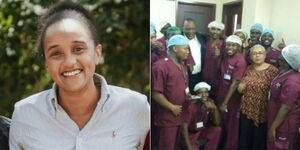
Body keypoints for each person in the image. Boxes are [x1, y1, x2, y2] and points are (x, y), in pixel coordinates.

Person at [9, 2, 150, 150]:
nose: (69, 62)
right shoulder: (25, 114)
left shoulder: (136, 108)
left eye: (78, 49)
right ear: (46, 62)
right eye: (56, 53)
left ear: (97, 53)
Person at [152, 35, 190, 150]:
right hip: (168, 118)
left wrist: (190, 96)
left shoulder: (183, 66)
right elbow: (155, 93)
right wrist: (172, 107)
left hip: (181, 115)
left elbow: (183, 86)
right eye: (185, 48)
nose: (187, 52)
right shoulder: (160, 66)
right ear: (174, 49)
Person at [237, 45, 278, 150]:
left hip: (262, 110)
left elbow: (276, 91)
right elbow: (240, 87)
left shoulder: (273, 70)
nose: (257, 55)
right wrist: (240, 87)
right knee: (245, 138)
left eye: (260, 53)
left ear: (265, 55)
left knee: (259, 139)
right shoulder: (248, 68)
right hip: (247, 108)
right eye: (254, 53)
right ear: (250, 56)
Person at [267, 44, 300, 150]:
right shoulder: (283, 71)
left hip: (284, 124)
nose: (279, 57)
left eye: (282, 56)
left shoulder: (293, 81)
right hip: (275, 117)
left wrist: (273, 127)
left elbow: (286, 107)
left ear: (289, 60)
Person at [217, 35, 247, 150]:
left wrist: (225, 102)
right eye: (228, 44)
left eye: (234, 45)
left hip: (231, 100)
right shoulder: (226, 56)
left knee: (232, 125)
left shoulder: (240, 60)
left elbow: (235, 83)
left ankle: (231, 147)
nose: (230, 47)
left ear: (239, 47)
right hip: (222, 94)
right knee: (223, 122)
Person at [180, 82, 221, 150]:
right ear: (196, 94)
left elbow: (217, 123)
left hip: (201, 131)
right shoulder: (191, 106)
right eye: (201, 93)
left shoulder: (210, 102)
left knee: (217, 130)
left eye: (206, 92)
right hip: (190, 134)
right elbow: (183, 130)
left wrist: (215, 108)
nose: (204, 95)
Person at [202, 20, 226, 100]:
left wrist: (219, 56)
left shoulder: (224, 44)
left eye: (218, 29)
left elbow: (225, 64)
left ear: (221, 32)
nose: (215, 31)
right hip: (203, 76)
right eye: (213, 29)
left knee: (214, 98)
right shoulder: (205, 41)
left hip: (216, 78)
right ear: (209, 29)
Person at [182, 18, 206, 94]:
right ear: (183, 28)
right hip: (185, 76)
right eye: (187, 29)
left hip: (200, 75)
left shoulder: (201, 38)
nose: (191, 31)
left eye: (193, 29)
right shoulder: (179, 39)